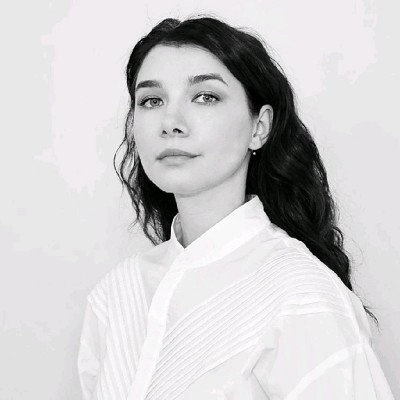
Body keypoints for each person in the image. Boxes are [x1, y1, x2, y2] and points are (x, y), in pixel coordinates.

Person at [77, 14, 395, 400]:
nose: (170, 122)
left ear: (259, 127)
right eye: (152, 101)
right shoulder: (117, 294)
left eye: (205, 97)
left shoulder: (300, 295)